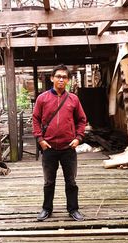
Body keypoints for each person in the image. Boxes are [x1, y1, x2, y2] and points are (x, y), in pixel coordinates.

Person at [32, 64, 87, 221]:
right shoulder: (42, 99)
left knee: (71, 181)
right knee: (49, 182)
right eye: (58, 76)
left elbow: (82, 120)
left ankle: (73, 209)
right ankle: (46, 209)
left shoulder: (73, 99)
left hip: (68, 147)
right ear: (52, 78)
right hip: (48, 147)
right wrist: (40, 139)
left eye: (64, 77)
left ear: (68, 80)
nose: (61, 79)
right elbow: (35, 119)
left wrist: (78, 138)